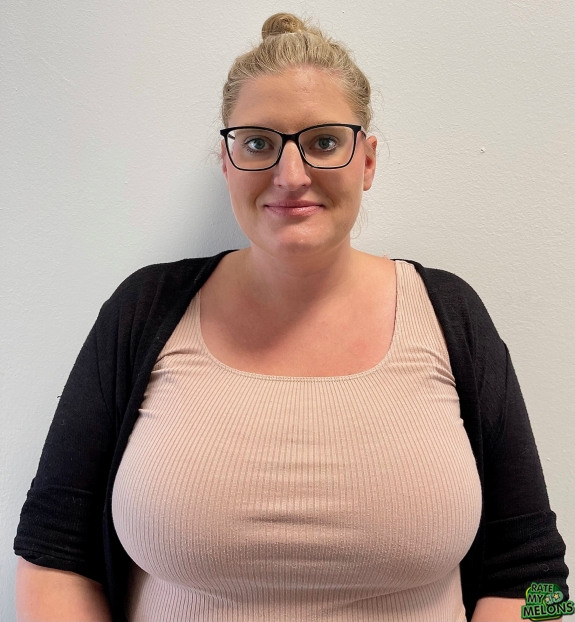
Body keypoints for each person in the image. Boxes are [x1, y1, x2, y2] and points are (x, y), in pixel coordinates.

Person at [14, 12, 569, 622]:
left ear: (368, 161)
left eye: (324, 142)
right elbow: (52, 550)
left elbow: (538, 577)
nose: (291, 176)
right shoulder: (144, 311)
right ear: (226, 162)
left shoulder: (450, 315)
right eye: (258, 143)